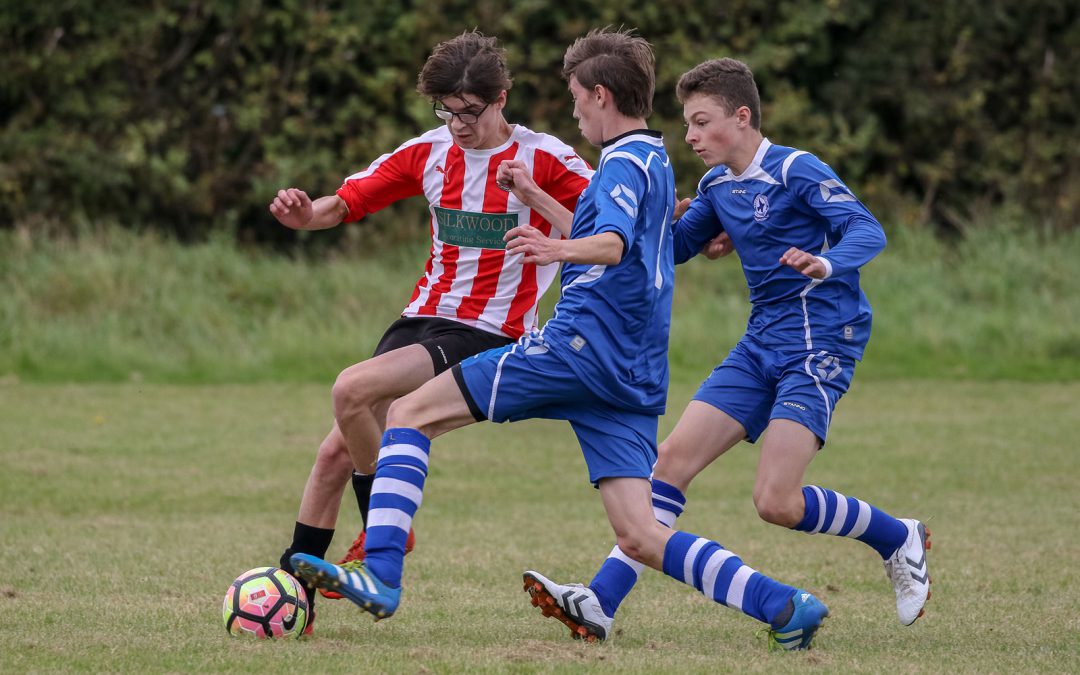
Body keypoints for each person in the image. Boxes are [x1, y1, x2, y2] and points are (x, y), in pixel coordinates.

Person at [290, 28, 829, 651]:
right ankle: (785, 604)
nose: (573, 111)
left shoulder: (621, 161)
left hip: (576, 349)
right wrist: (538, 200)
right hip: (632, 371)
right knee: (640, 534)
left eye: (575, 97)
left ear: (600, 95)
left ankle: (382, 572)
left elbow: (612, 245)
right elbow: (631, 241)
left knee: (409, 414)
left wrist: (554, 247)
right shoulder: (653, 158)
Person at [522, 57, 932, 643]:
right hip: (761, 341)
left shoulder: (795, 169)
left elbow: (867, 229)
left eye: (701, 121)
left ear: (741, 118)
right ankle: (600, 603)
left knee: (777, 502)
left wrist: (825, 262)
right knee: (670, 464)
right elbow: (658, 250)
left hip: (819, 343)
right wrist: (544, 200)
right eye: (686, 123)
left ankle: (898, 537)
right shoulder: (716, 186)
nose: (688, 136)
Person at [267, 30, 592, 631]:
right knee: (336, 449)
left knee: (349, 391)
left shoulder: (545, 157)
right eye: (445, 110)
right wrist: (303, 215)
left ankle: (385, 532)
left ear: (501, 98)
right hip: (422, 319)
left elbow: (613, 218)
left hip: (491, 329)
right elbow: (343, 204)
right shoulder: (428, 151)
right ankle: (294, 597)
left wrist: (694, 223)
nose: (457, 124)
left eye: (468, 111)